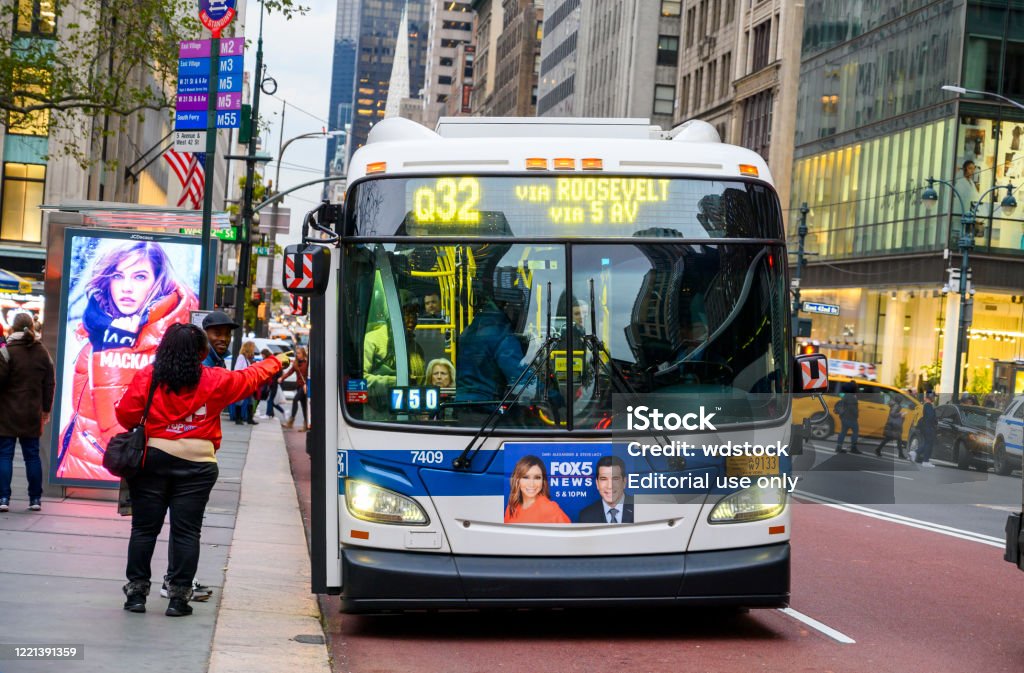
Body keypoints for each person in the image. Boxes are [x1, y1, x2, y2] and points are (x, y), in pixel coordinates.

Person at [115, 323, 287, 616]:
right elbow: (249, 377)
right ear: (203, 351)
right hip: (198, 465)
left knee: (144, 529)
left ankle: (136, 595)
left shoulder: (149, 377)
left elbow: (126, 414)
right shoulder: (215, 379)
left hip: (153, 460)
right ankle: (179, 599)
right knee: (186, 532)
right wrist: (275, 361)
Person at [57, 241, 198, 481]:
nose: (127, 288)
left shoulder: (148, 338)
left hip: (108, 469)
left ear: (158, 282)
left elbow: (118, 430)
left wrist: (115, 349)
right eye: (118, 276)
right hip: (77, 458)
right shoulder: (103, 326)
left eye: (140, 277)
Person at [0, 314, 55, 512]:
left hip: (6, 413)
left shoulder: (7, 352)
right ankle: (35, 499)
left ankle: (3, 498)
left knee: (4, 456)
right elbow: (49, 384)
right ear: (32, 327)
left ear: (13, 328)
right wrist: (46, 409)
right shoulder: (42, 352)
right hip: (32, 413)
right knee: (32, 456)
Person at [504, 455, 570, 524]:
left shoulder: (550, 509)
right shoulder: (511, 506)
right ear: (517, 480)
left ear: (543, 481)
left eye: (537, 478)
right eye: (526, 477)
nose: (531, 484)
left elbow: (569, 533)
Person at [577, 455, 634, 524]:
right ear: (597, 483)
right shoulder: (586, 516)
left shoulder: (642, 509)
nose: (610, 486)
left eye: (615, 479)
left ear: (624, 482)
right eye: (603, 479)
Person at [281, 346, 310, 431]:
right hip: (299, 386)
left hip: (305, 387)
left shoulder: (307, 363)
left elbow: (309, 375)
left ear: (303, 353)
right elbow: (289, 372)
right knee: (304, 406)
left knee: (295, 400)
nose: (297, 355)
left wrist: (307, 384)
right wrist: (282, 378)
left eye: (299, 353)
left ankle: (291, 421)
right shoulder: (296, 363)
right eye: (296, 353)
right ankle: (305, 425)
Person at [231, 341, 258, 425]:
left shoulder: (246, 358)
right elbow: (237, 369)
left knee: (250, 400)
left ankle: (249, 418)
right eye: (253, 347)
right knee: (240, 401)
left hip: (248, 382)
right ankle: (238, 419)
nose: (254, 349)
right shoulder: (241, 357)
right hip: (242, 382)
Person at [911, 393, 938, 466]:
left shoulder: (925, 406)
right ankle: (925, 461)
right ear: (930, 397)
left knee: (927, 443)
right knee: (929, 443)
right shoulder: (928, 406)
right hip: (928, 427)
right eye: (933, 397)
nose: (934, 398)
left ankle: (916, 453)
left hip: (924, 427)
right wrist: (935, 421)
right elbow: (930, 417)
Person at [258, 348, 286, 419]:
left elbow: (275, 374)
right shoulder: (276, 363)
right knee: (271, 401)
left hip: (273, 384)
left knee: (270, 400)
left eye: (262, 355)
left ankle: (268, 414)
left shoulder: (275, 363)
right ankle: (273, 414)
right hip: (273, 384)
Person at [834, 381, 861, 454]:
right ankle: (853, 448)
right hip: (851, 418)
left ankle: (838, 447)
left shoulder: (845, 395)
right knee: (855, 432)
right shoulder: (852, 397)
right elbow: (852, 408)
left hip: (844, 417)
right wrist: (857, 413)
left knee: (843, 432)